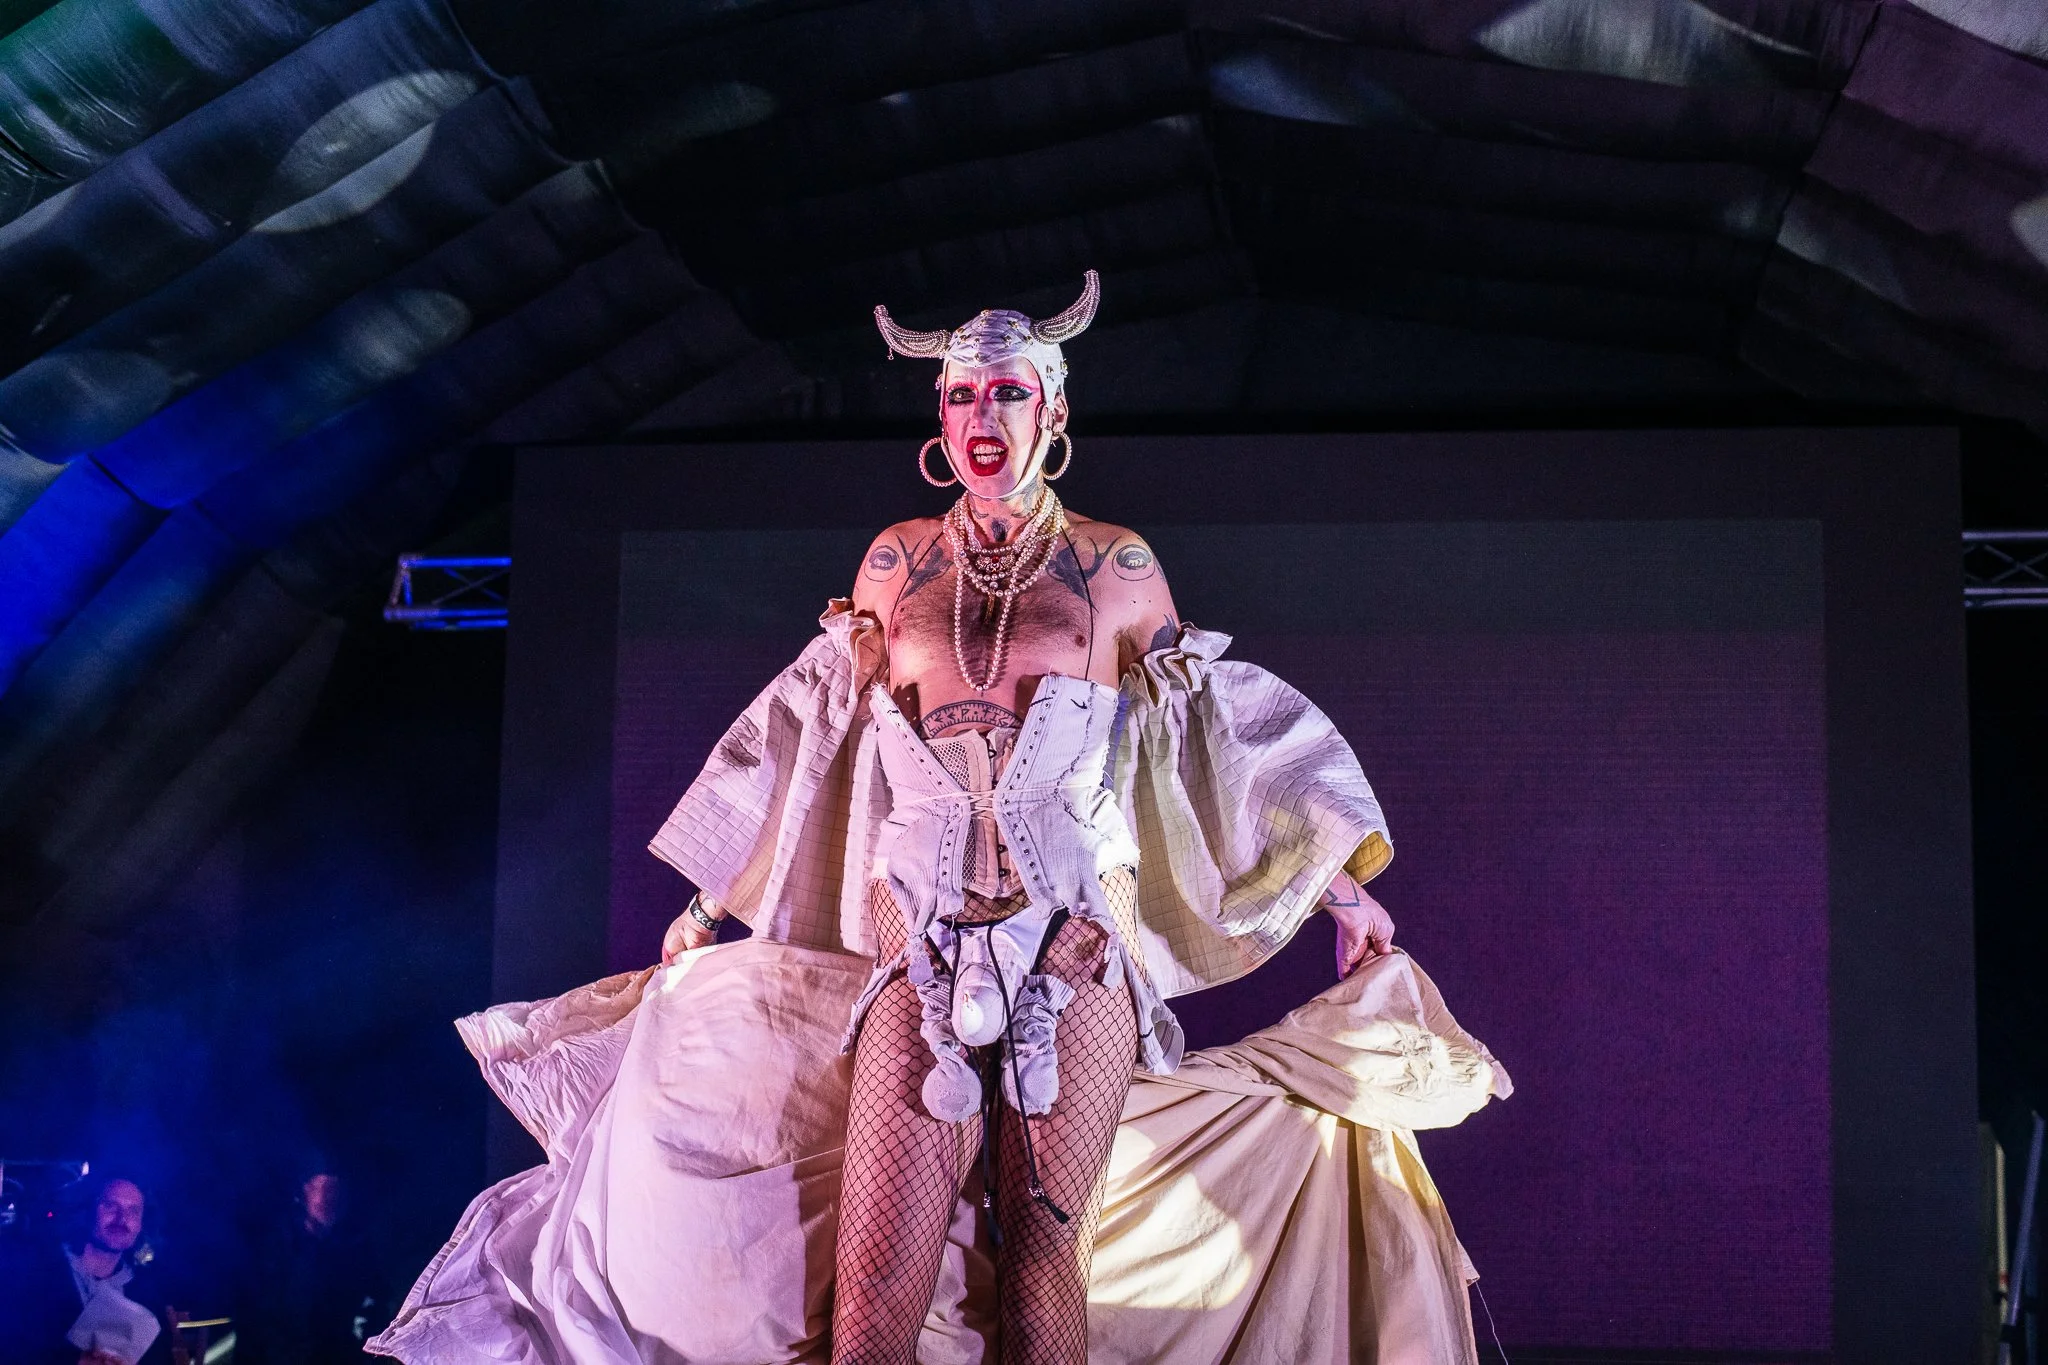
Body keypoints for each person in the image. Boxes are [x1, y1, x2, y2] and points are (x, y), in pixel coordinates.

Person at [369, 273, 1506, 1365]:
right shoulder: (894, 560)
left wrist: (1341, 888)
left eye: (1008, 391)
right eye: (961, 392)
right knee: (871, 1297)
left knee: (1046, 1277)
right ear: (938, 414)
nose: (981, 413)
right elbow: (817, 728)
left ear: (1053, 409)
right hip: (917, 947)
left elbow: (1202, 738)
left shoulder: (1116, 564)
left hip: (1073, 954)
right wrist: (710, 894)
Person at [0, 1175, 169, 1365]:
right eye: (110, 1205)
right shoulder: (33, 1274)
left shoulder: (147, 1296)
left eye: (133, 1211)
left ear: (141, 1224)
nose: (122, 1219)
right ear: (86, 1209)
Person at [237, 1168, 386, 1364]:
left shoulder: (355, 1248)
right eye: (325, 1190)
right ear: (304, 1191)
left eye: (337, 1192)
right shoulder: (277, 1249)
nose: (331, 1200)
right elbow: (259, 1317)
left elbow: (377, 1298)